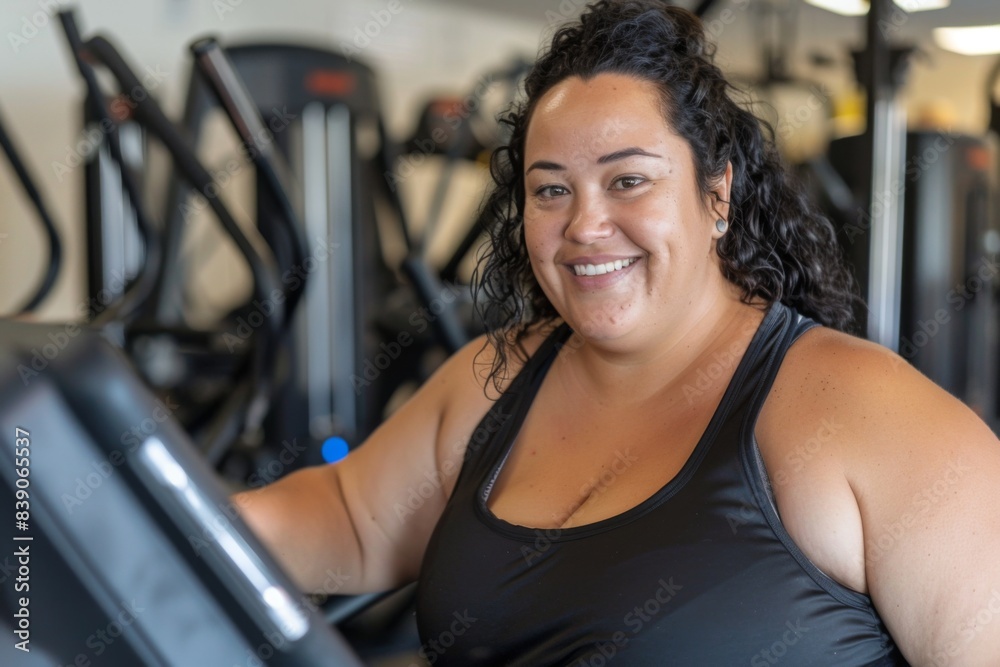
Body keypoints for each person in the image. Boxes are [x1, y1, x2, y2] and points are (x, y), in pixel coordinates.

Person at [235, 1, 1000, 664]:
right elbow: (352, 518)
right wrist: (131, 507)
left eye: (628, 180)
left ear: (717, 193)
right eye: (551, 190)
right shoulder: (492, 381)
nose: (585, 225)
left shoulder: (864, 411)